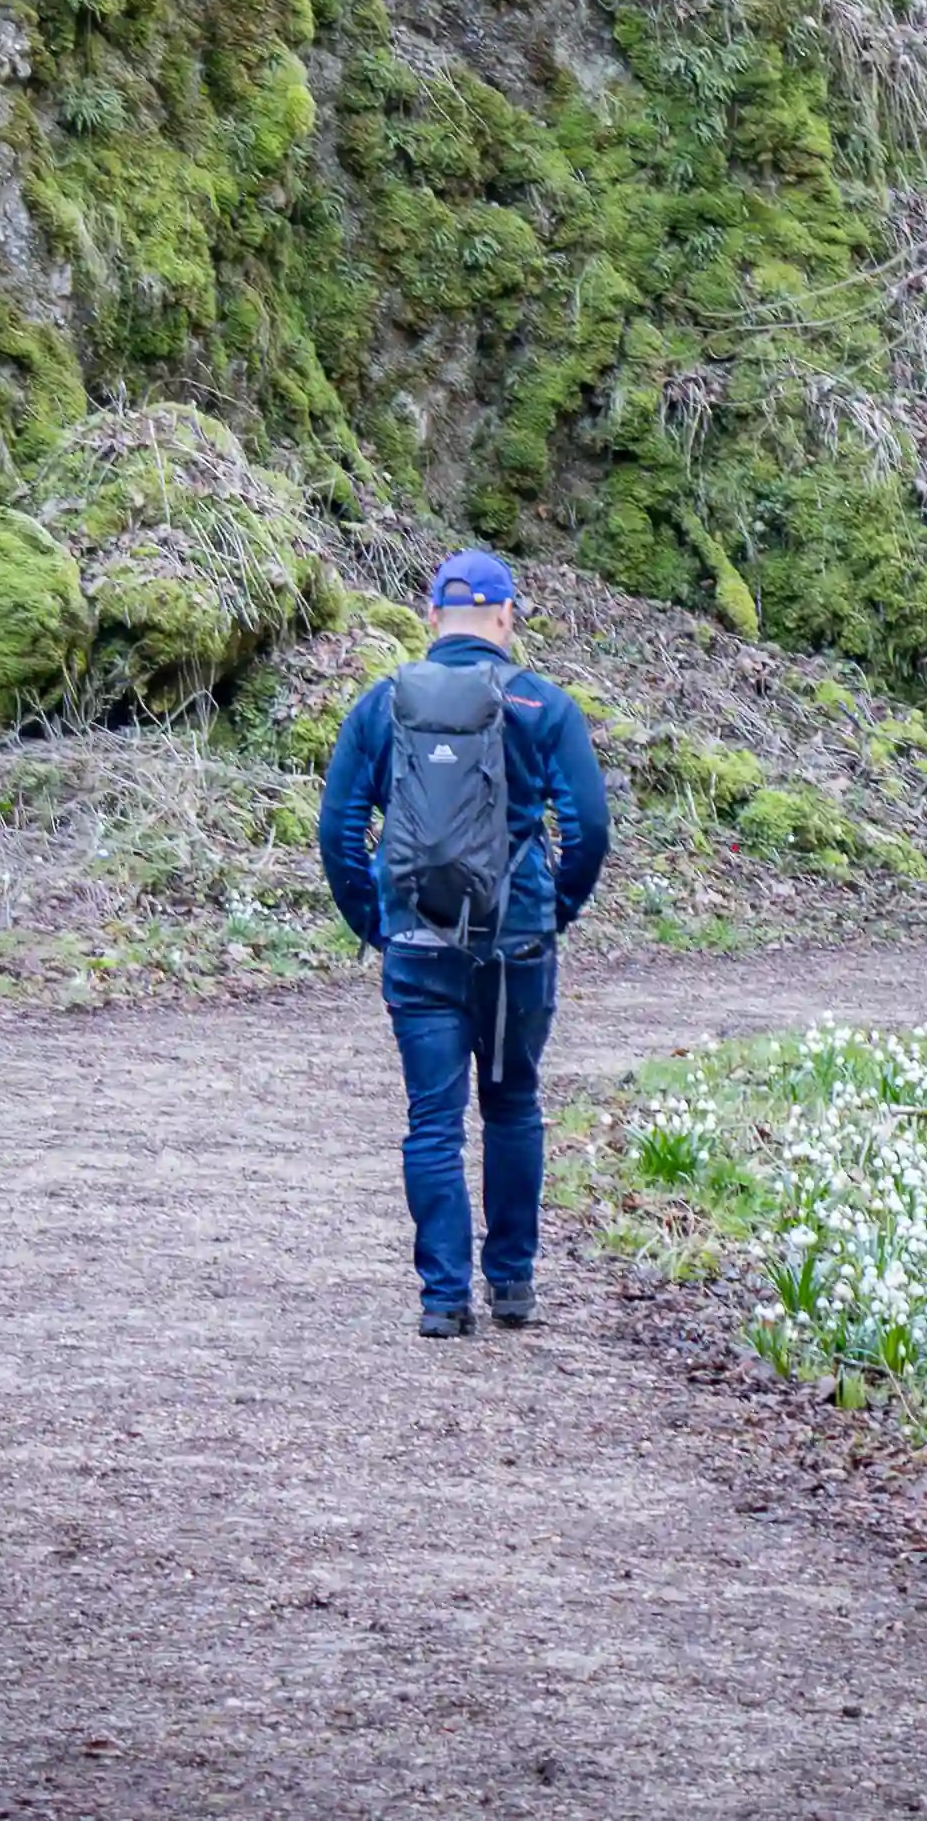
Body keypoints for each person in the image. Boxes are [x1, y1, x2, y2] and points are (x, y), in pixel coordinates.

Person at [317, 549, 610, 1337]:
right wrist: (554, 912)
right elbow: (588, 830)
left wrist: (375, 922)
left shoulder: (383, 705)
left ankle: (443, 1298)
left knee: (433, 1119)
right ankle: (511, 1283)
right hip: (517, 949)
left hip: (416, 943)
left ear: (431, 617)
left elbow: (339, 832)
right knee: (513, 1105)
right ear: (507, 617)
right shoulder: (544, 705)